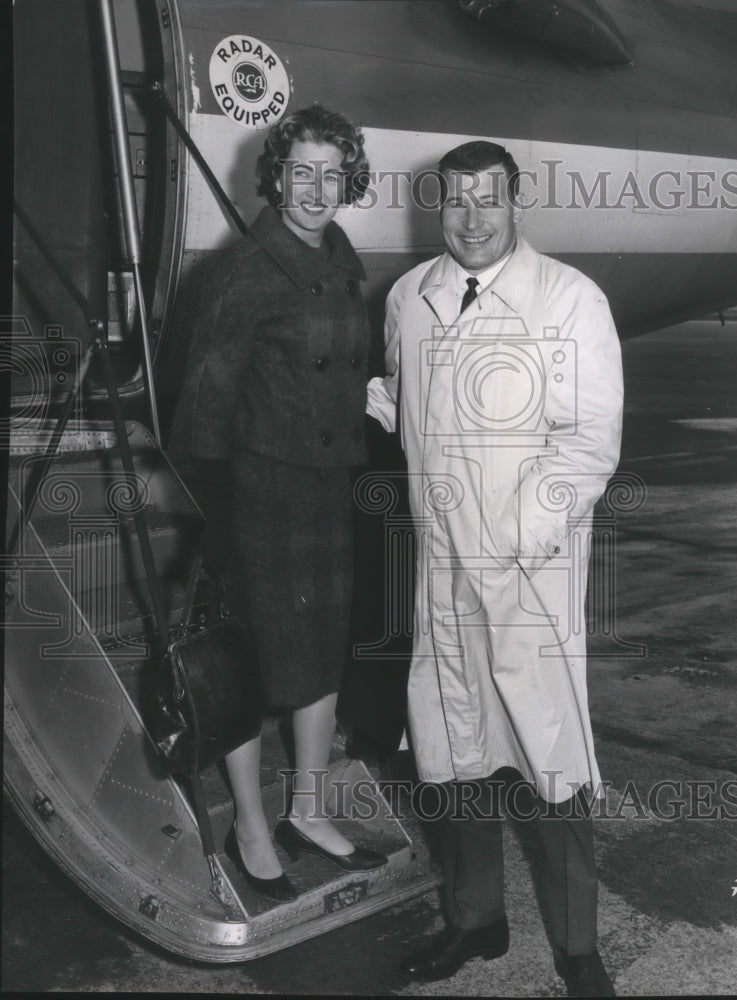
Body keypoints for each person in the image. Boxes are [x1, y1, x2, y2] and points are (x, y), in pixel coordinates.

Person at [366, 141, 623, 995]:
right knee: (451, 754)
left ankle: (578, 948)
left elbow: (589, 443)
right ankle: (476, 922)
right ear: (437, 207)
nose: (472, 219)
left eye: (490, 200)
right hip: (439, 575)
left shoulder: (570, 300)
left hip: (527, 578)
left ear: (518, 203)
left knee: (551, 762)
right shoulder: (411, 296)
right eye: (456, 202)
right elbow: (404, 408)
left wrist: (515, 537)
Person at [172, 104, 386, 902]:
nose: (317, 189)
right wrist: (218, 524)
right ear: (277, 176)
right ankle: (251, 831)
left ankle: (308, 810)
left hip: (325, 492)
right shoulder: (246, 274)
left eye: (334, 173)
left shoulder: (339, 258)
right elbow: (201, 415)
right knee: (254, 664)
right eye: (303, 172)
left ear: (350, 180)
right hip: (260, 498)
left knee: (320, 655)